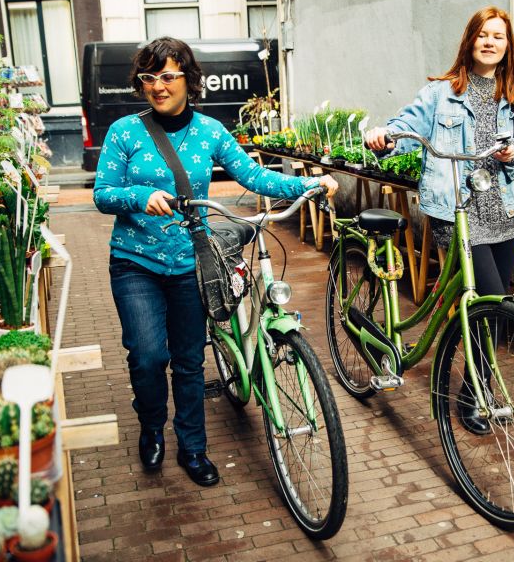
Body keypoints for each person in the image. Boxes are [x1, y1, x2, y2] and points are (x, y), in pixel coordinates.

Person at [93, 37, 338, 486]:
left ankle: (193, 448)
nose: (158, 86)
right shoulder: (124, 132)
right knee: (148, 357)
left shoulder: (210, 131)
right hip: (135, 262)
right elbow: (103, 194)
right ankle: (151, 427)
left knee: (188, 360)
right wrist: (140, 195)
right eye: (149, 78)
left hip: (192, 261)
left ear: (188, 78)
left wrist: (309, 184)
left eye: (168, 76)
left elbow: (253, 174)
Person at [365, 5, 514, 299]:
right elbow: (406, 125)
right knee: (492, 299)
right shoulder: (440, 93)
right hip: (459, 211)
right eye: (482, 35)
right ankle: (473, 344)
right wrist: (386, 136)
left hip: (507, 212)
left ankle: (470, 346)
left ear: (507, 46)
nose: (489, 43)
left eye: (498, 37)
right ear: (470, 40)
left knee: (495, 307)